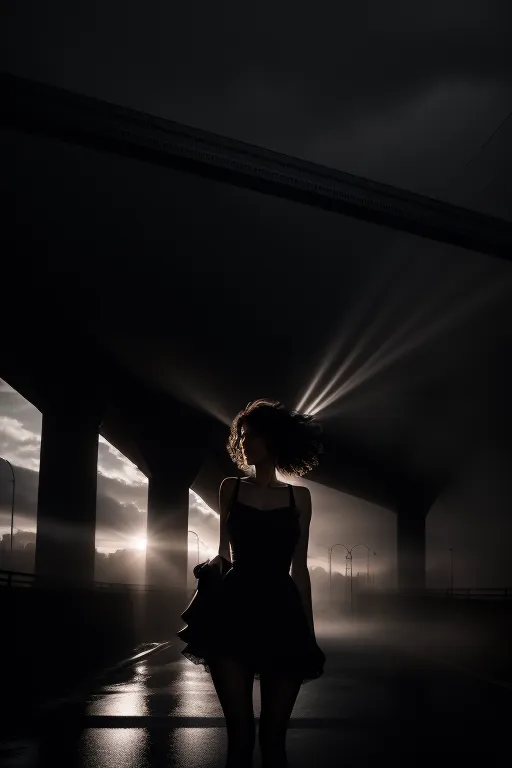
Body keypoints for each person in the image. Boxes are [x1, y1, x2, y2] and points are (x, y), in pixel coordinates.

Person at [178, 398, 326, 767]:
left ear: (272, 439)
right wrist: (210, 579)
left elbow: (300, 568)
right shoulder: (230, 487)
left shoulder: (300, 497)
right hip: (234, 610)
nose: (244, 442)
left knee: (274, 740)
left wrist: (309, 631)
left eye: (252, 435)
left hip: (282, 611)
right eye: (241, 435)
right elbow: (222, 554)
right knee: (240, 739)